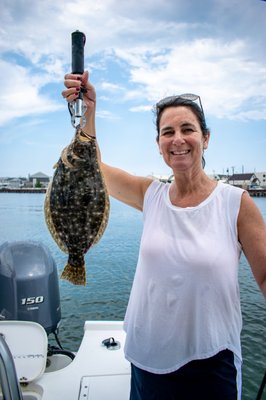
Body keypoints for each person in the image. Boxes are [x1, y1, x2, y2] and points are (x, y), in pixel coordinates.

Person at [62, 71, 266, 400]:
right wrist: (89, 109)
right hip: (148, 360)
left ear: (206, 138)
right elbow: (91, 167)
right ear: (159, 145)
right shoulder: (150, 194)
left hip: (211, 363)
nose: (178, 139)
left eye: (188, 129)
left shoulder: (235, 203)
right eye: (167, 132)